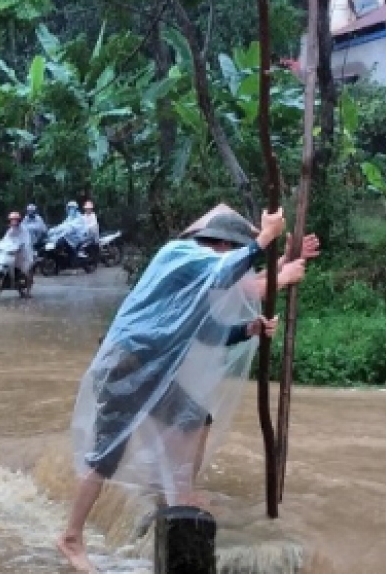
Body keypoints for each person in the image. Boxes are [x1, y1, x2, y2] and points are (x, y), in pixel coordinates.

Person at [55, 204, 320, 573]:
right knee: (106, 456)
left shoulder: (195, 281)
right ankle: (71, 536)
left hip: (149, 371)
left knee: (195, 418)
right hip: (126, 367)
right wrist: (266, 241)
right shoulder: (180, 255)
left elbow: (208, 331)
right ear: (223, 245)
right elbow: (230, 274)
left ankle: (177, 497)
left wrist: (250, 329)